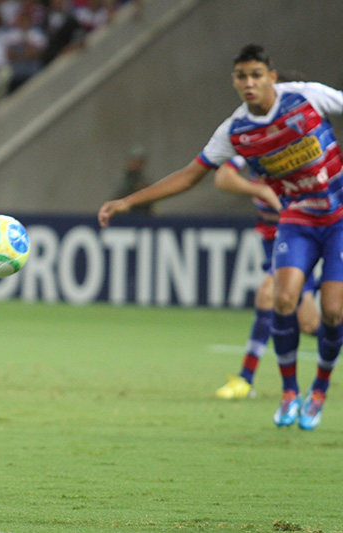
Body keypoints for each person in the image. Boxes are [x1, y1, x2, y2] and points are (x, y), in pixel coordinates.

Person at [99, 44, 343, 431]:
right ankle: (289, 393)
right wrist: (129, 201)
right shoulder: (236, 131)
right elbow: (190, 175)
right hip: (297, 220)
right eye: (242, 76)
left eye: (256, 75)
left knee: (332, 312)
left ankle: (320, 391)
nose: (249, 83)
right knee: (281, 298)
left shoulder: (306, 97)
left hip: (339, 219)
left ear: (272, 77)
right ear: (234, 81)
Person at [214, 158, 320, 400]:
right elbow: (223, 177)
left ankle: (245, 379)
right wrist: (260, 189)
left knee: (266, 294)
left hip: (298, 241)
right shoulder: (253, 147)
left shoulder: (297, 156)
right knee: (309, 324)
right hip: (272, 243)